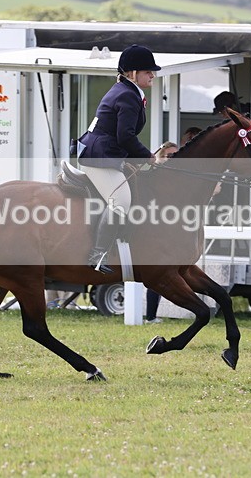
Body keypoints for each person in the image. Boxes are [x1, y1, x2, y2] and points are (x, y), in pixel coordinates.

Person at [77, 44, 159, 273]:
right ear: (132, 73)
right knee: (120, 202)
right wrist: (147, 156)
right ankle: (98, 254)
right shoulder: (127, 95)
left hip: (107, 154)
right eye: (147, 71)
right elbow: (125, 136)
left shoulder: (128, 91)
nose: (152, 74)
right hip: (99, 157)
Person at [145, 141, 178, 323]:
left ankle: (151, 316)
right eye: (170, 156)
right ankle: (150, 316)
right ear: (161, 156)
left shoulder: (175, 177)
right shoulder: (153, 173)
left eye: (176, 156)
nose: (173, 160)